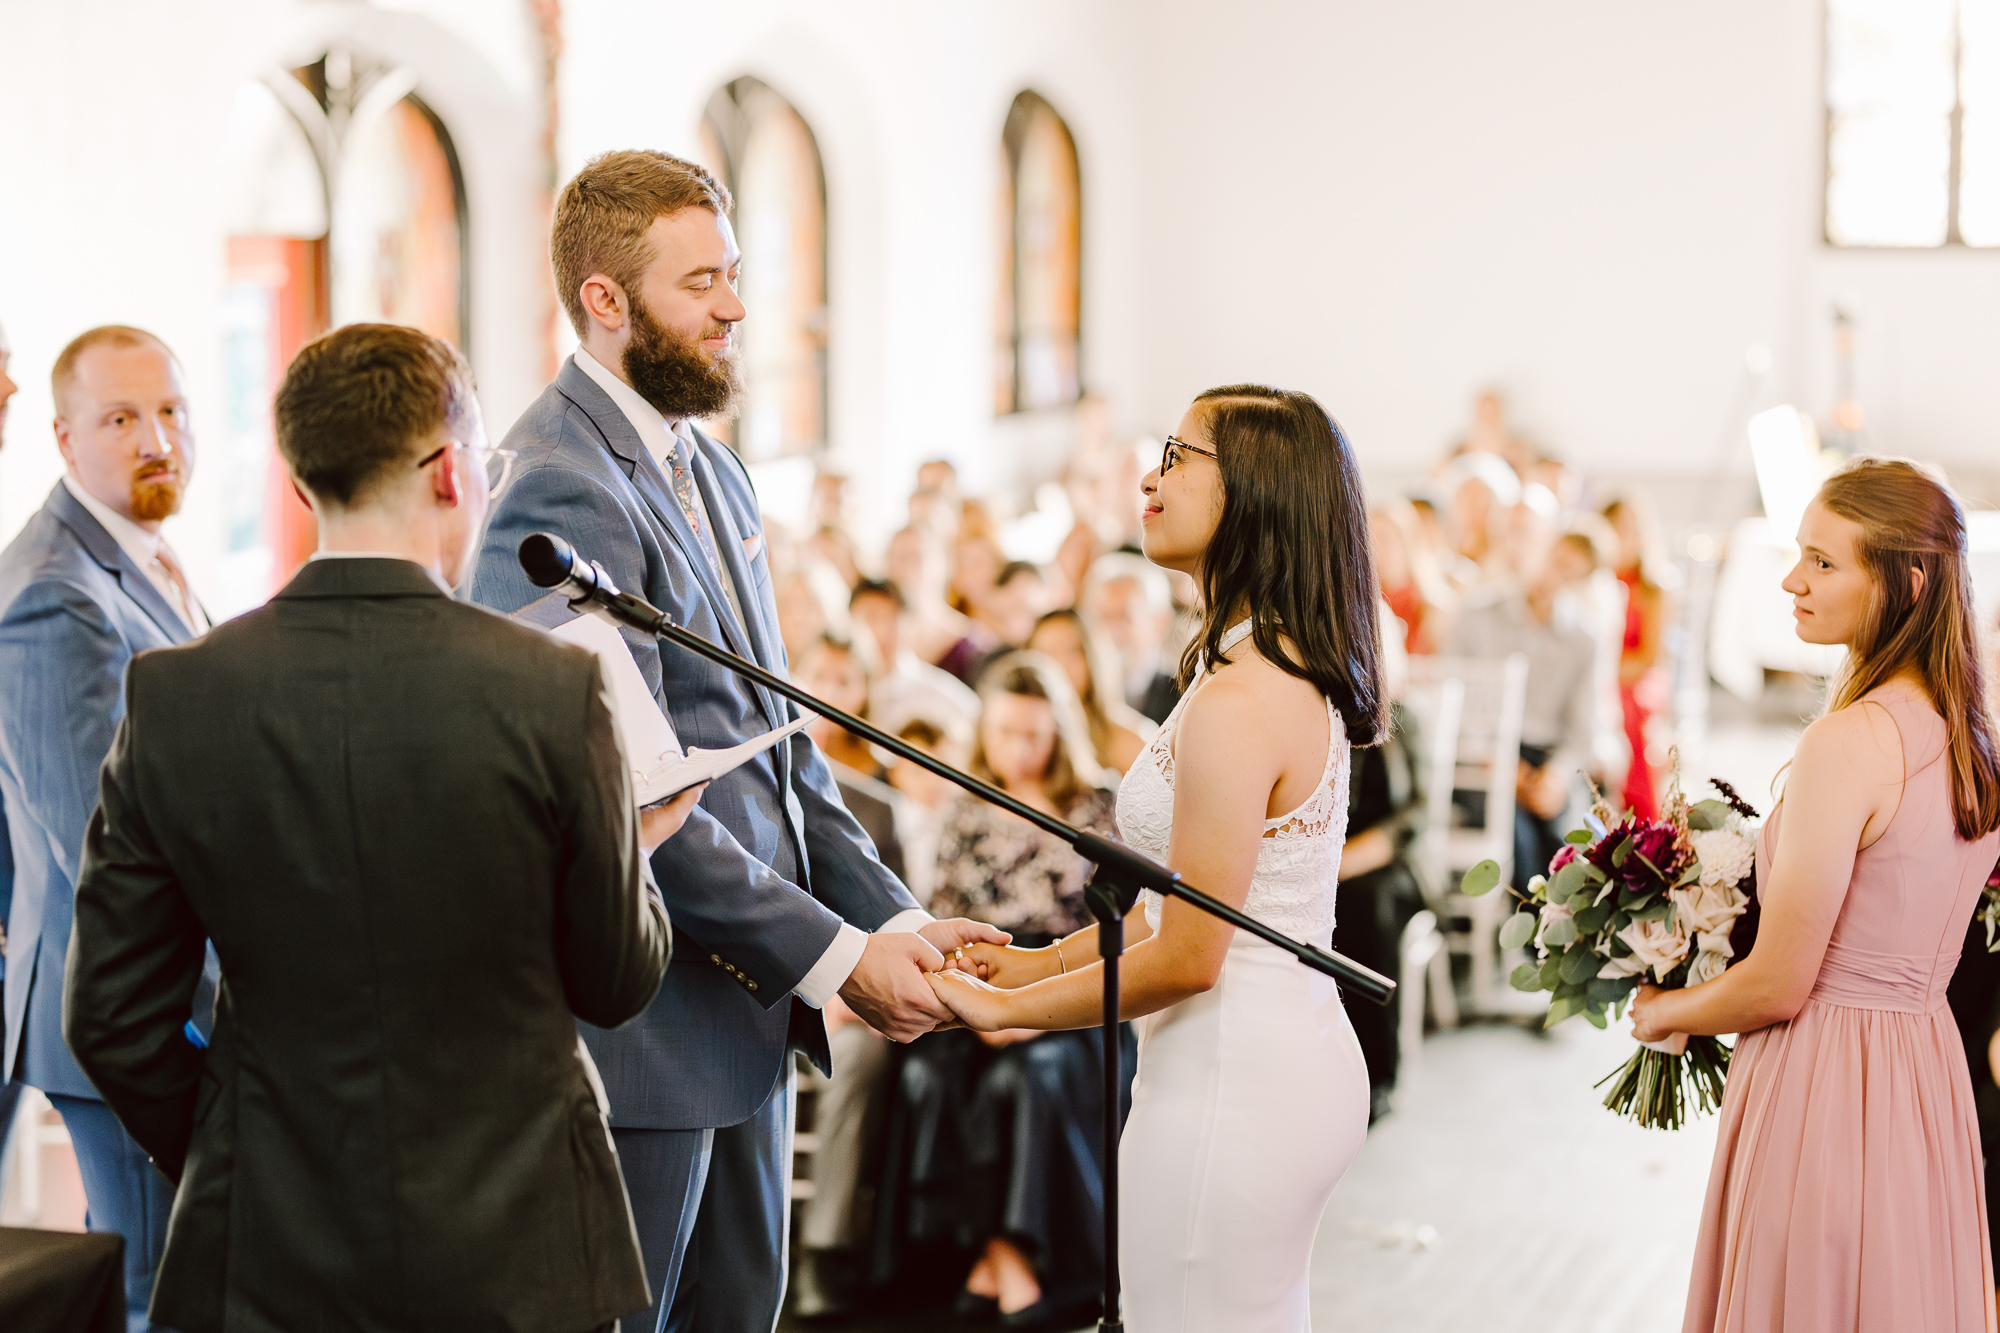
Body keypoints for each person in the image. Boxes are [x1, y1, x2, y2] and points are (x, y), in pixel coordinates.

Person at [62, 322, 694, 1333]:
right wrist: (639, 851)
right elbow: (615, 980)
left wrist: (234, 1150)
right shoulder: (551, 687)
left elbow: (109, 1014)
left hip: (273, 1243)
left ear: (303, 483)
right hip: (519, 1240)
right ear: (450, 470)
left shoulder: (177, 695)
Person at [470, 150, 1003, 1333]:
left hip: (749, 1021)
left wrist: (889, 921)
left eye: (735, 273)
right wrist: (833, 956)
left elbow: (778, 743)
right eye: (701, 281)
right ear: (605, 299)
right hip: (638, 1037)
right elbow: (623, 799)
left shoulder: (708, 464)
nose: (736, 307)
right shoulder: (553, 486)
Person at [931, 385, 1386, 1331]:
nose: (1149, 477)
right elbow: (1162, 911)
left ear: (1253, 491)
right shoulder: (1254, 666)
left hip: (1233, 1076)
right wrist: (1030, 963)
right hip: (1265, 1054)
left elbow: (1189, 954)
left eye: (1179, 457)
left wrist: (1006, 1010)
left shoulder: (1242, 697)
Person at [1630, 457, 2000, 1333]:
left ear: (1908, 582)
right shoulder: (1970, 740)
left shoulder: (1848, 741)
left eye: (1824, 562)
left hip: (1828, 1079)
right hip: (1925, 1076)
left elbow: (1780, 982)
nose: (1791, 580)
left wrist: (1667, 1009)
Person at [0, 325, 210, 1328]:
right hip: (124, 1011)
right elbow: (100, 846)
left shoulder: (142, 551)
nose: (156, 440)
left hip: (163, 997)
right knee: (152, 1289)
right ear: (65, 437)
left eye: (170, 411)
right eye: (121, 419)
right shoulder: (52, 590)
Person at [877, 652, 1121, 1326]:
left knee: (1029, 1077)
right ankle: (990, 1255)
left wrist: (1029, 1011)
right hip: (978, 980)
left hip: (1074, 986)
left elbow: (1115, 930)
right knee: (930, 1074)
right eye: (1005, 732)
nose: (1018, 749)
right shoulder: (964, 806)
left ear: (1059, 732)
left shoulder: (1097, 804)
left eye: (1033, 734)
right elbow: (943, 919)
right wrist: (982, 1007)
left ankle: (1019, 1257)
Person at [1446, 527, 1605, 893]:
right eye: (1556, 561)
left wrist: (1556, 776)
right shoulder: (1476, 614)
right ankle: (1528, 922)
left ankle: (1564, 923)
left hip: (1545, 757)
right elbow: (1451, 701)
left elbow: (1583, 730)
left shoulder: (1585, 638)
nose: (1555, 577)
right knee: (1518, 840)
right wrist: (1498, 763)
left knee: (1570, 840)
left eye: (1571, 574)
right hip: (1480, 758)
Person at [1602, 496, 1671, 819]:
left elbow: (1648, 657)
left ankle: (1641, 813)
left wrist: (1604, 677)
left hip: (1638, 677)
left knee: (1627, 708)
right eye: (1615, 527)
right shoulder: (1596, 580)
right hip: (1600, 674)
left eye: (1629, 529)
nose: (1622, 537)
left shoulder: (1652, 587)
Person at [1027, 607, 1155, 773]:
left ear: (1092, 657)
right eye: (1044, 654)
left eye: (1071, 652)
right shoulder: (1022, 738)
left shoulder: (1131, 740)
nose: (1057, 665)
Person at [848, 576, 980, 737]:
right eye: (870, 617)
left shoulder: (941, 694)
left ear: (910, 624)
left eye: (891, 618)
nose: (881, 631)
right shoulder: (834, 689)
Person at [1081, 551, 1182, 724]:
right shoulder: (1080, 691)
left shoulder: (1183, 696)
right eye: (1101, 618)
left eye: (1124, 618)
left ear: (1160, 623)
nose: (1110, 632)